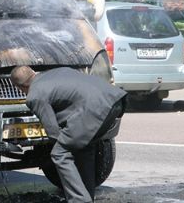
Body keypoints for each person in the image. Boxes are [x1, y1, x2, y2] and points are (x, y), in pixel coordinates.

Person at [10, 66, 126, 203]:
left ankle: (79, 200)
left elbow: (53, 132)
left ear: (20, 87)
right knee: (83, 149)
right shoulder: (58, 71)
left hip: (93, 109)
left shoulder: (34, 96)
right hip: (115, 100)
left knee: (59, 153)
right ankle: (87, 196)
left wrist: (47, 154)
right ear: (33, 72)